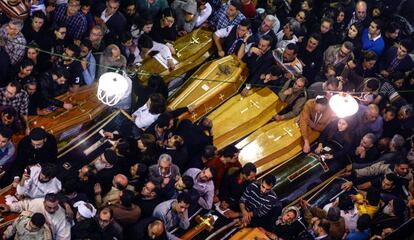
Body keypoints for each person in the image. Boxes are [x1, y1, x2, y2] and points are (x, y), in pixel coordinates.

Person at [0, 193, 71, 240]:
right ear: (44, 202)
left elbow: (64, 238)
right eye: (49, 207)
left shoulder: (63, 219)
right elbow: (23, 205)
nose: (52, 210)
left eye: (55, 207)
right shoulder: (23, 217)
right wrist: (10, 207)